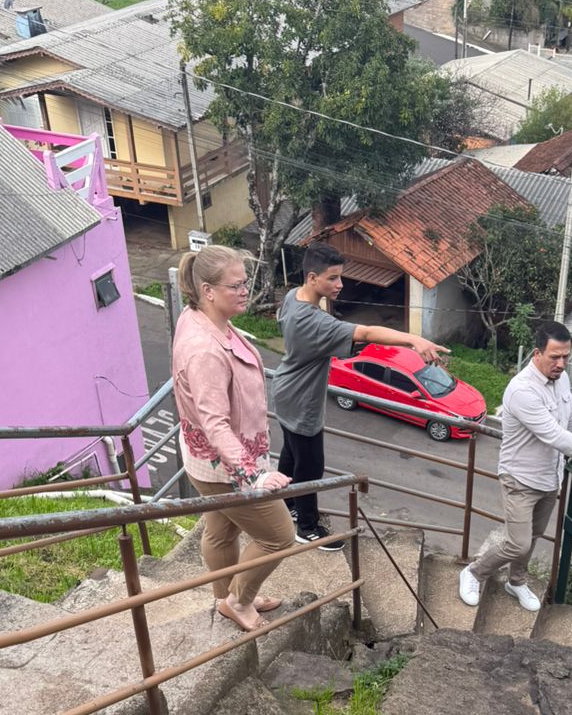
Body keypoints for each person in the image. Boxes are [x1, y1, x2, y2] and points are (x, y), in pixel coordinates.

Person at [273, 242, 450, 550]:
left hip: (286, 389)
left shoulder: (293, 297)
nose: (340, 284)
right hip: (302, 400)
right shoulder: (314, 321)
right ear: (312, 278)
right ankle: (307, 527)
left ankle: (286, 505)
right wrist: (413, 340)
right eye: (332, 278)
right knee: (310, 467)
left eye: (340, 276)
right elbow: (366, 333)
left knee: (291, 454)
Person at [459, 319, 572, 613]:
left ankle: (516, 582)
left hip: (550, 478)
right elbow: (554, 434)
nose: (561, 363)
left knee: (533, 536)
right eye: (555, 357)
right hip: (520, 478)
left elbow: (571, 421)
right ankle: (474, 572)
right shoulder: (522, 390)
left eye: (566, 356)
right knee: (518, 543)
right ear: (537, 354)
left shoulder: (562, 379)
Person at [171, 244, 294, 634]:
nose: (245, 292)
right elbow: (215, 423)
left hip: (206, 461)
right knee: (279, 536)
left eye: (245, 283)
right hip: (226, 467)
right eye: (236, 285)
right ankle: (237, 601)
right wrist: (254, 475)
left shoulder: (199, 318)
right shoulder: (204, 350)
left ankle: (228, 597)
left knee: (221, 530)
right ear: (208, 291)